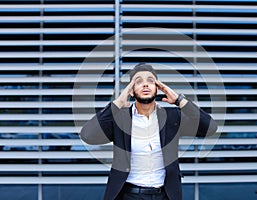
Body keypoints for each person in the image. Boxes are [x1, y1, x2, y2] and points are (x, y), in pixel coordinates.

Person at [79, 63, 218, 200]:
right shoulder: (120, 118)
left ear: (157, 89)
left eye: (150, 81)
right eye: (139, 82)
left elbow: (210, 128)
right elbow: (87, 135)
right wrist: (118, 103)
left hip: (165, 194)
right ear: (131, 91)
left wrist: (179, 100)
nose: (145, 84)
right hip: (128, 194)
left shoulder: (172, 117)